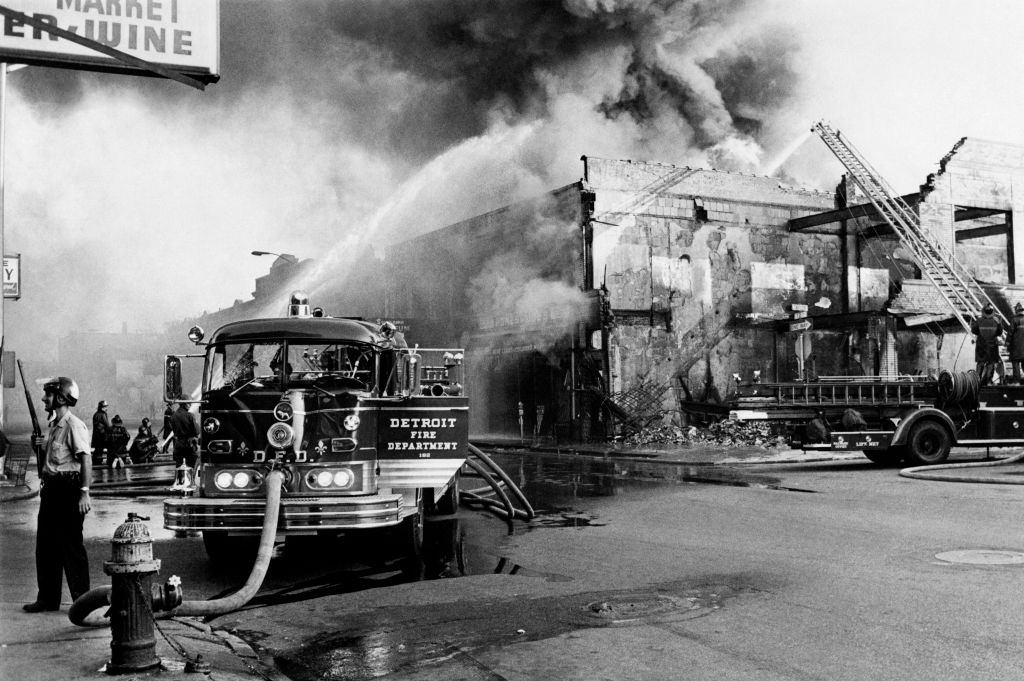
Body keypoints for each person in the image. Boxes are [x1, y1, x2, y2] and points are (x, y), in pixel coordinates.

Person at [24, 376, 92, 613]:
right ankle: (48, 599)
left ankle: (83, 603)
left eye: (49, 394)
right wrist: (38, 448)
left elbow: (85, 459)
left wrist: (84, 493)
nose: (44, 398)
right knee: (46, 546)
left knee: (71, 547)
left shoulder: (74, 425)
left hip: (68, 491)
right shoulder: (54, 426)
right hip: (51, 491)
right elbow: (48, 465)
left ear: (61, 398)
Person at [971, 304, 1004, 385]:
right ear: (992, 312)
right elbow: (1000, 332)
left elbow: (974, 330)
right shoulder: (996, 320)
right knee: (991, 363)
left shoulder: (979, 320)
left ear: (983, 312)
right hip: (992, 345)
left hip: (981, 345)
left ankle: (977, 381)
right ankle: (989, 381)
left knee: (980, 363)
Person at [169, 402, 199, 469]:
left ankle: (180, 479)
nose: (190, 405)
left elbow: (173, 430)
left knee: (179, 467)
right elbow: (197, 431)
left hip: (178, 444)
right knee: (192, 466)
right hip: (189, 444)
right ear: (184, 404)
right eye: (189, 403)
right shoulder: (190, 415)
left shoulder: (173, 416)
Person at [1008, 303, 1024, 384]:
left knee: (1016, 364)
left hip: (1016, 347)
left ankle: (1017, 381)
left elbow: (1010, 333)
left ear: (1016, 311)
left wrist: (1007, 343)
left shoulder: (1014, 320)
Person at [91, 400, 110, 466]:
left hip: (97, 436)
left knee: (98, 450)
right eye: (105, 407)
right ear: (102, 407)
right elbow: (107, 425)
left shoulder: (95, 414)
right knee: (101, 450)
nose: (106, 408)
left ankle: (96, 463)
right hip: (102, 436)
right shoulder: (103, 414)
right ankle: (98, 464)